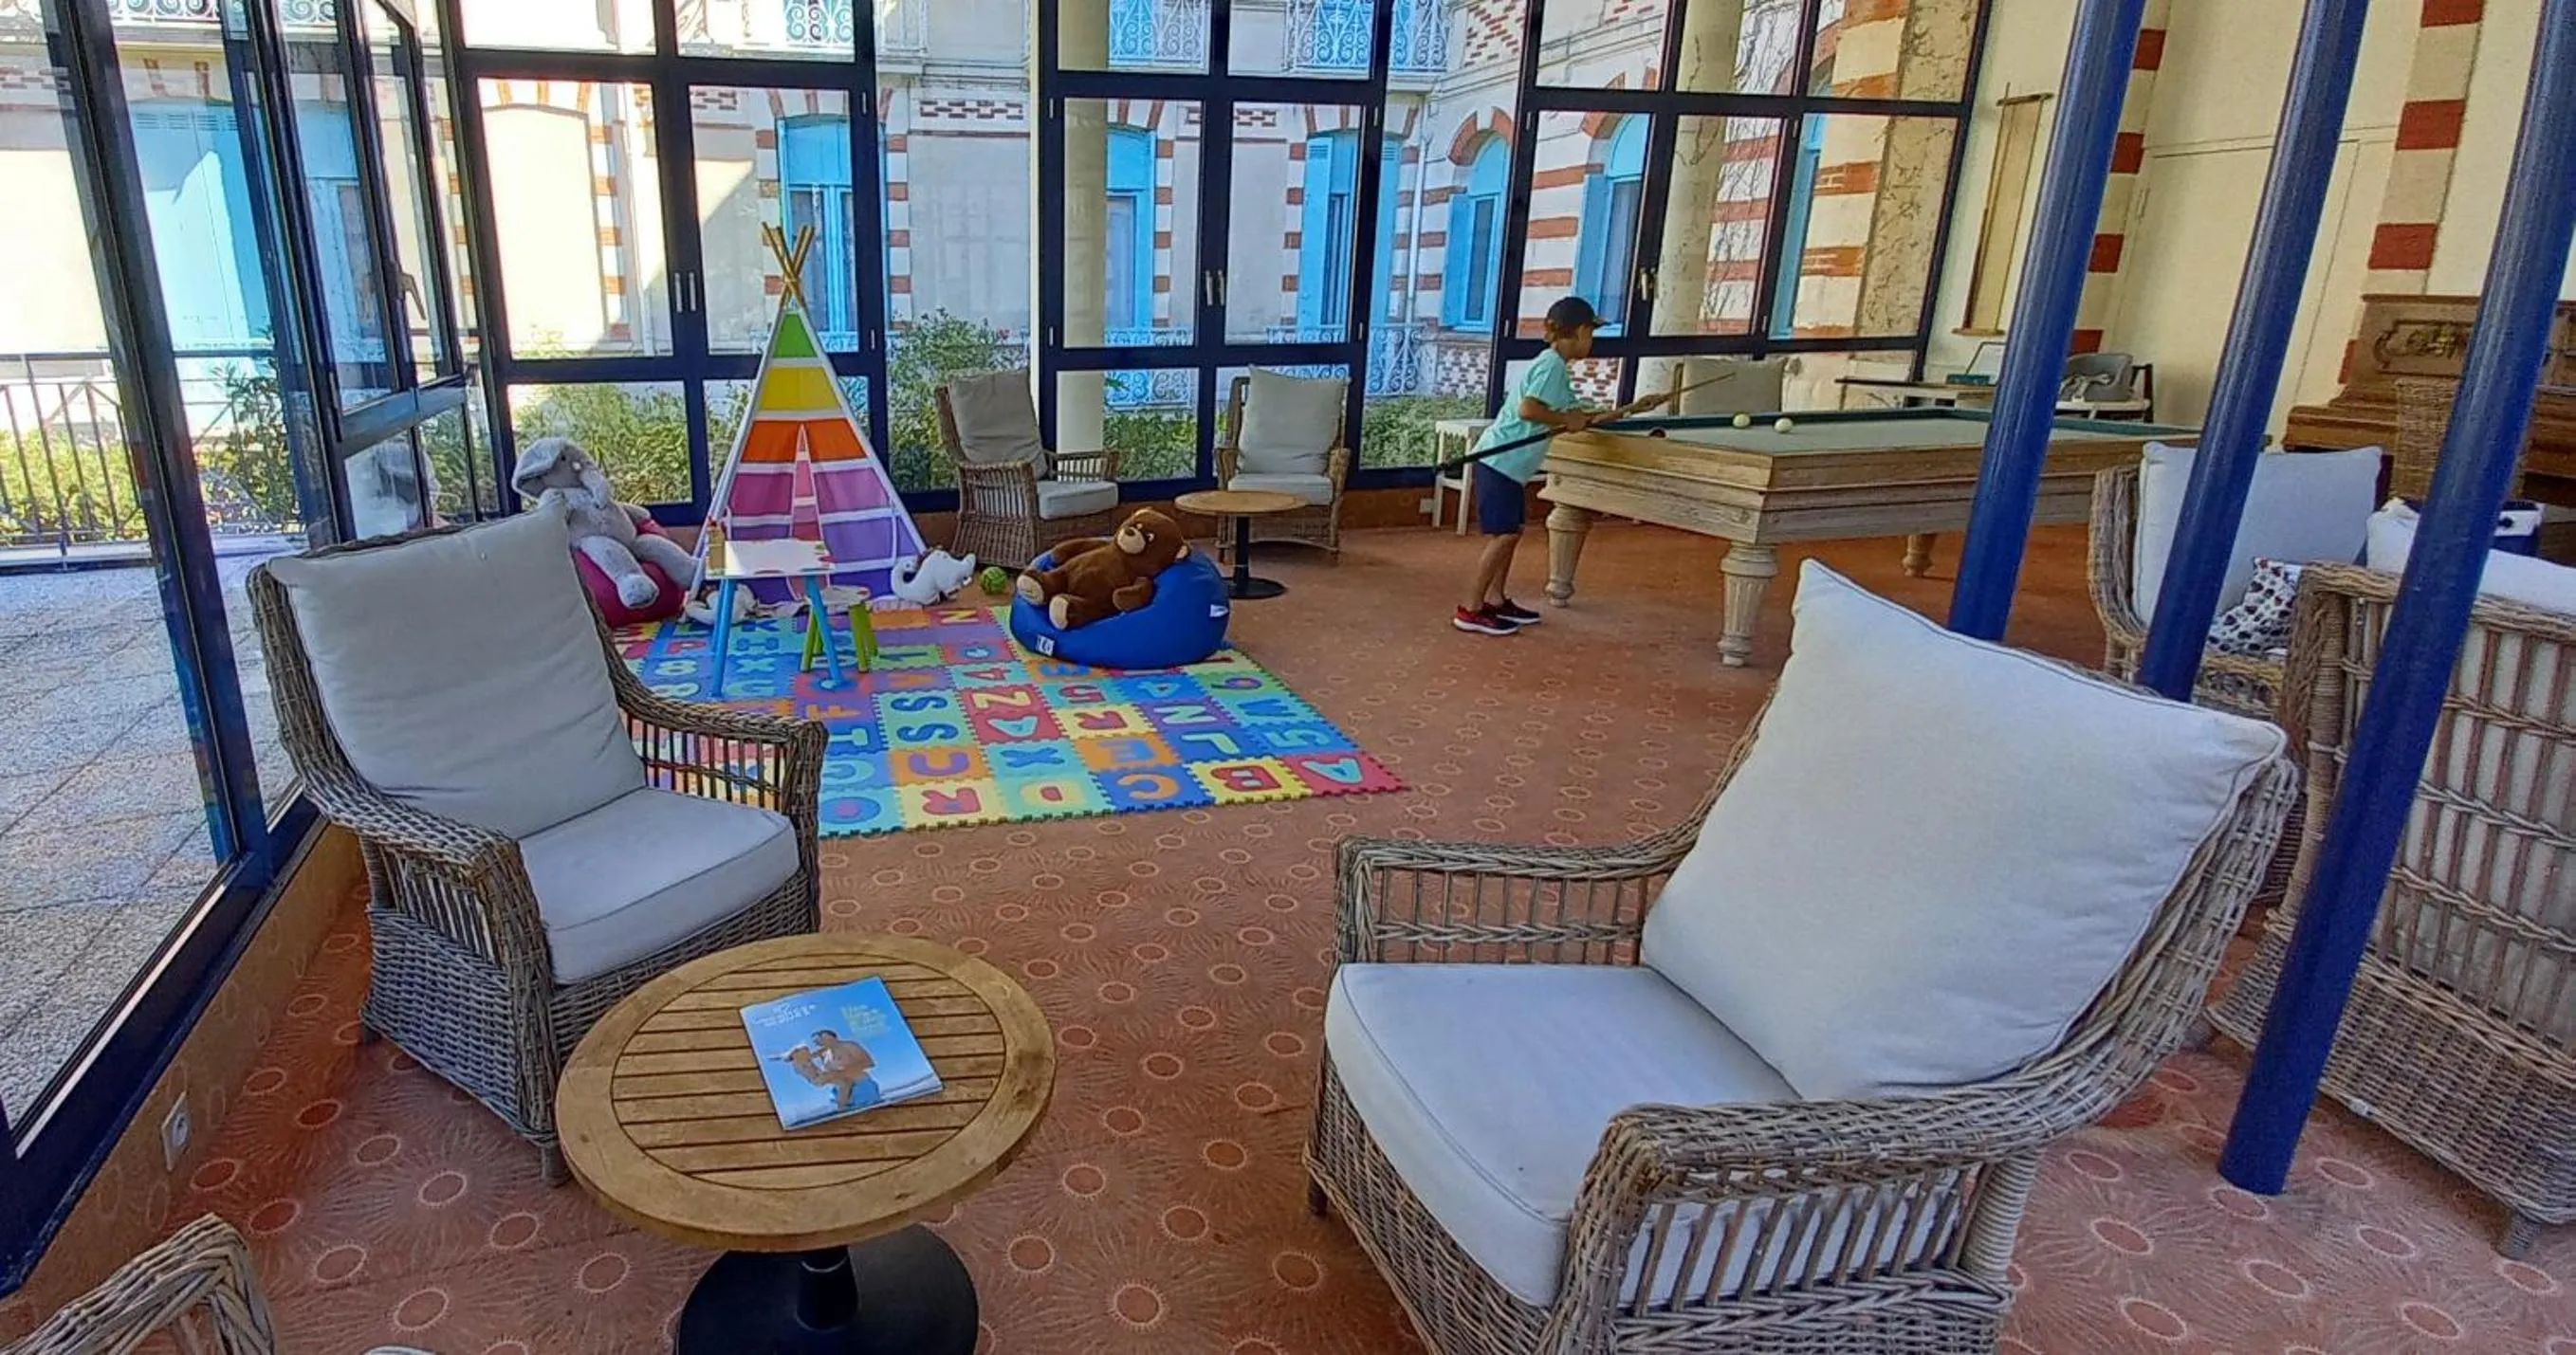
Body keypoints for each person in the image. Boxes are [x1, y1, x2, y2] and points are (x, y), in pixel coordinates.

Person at [1454, 297, 1674, 635]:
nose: (1592, 342)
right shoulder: (1551, 365)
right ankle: (1470, 609)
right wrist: (1562, 419)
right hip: (1499, 460)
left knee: (1510, 535)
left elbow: (1582, 419)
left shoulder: (1557, 369)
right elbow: (1529, 409)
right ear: (1580, 331)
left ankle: (1495, 600)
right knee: (1504, 537)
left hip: (1509, 468)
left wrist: (1633, 408)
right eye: (1591, 334)